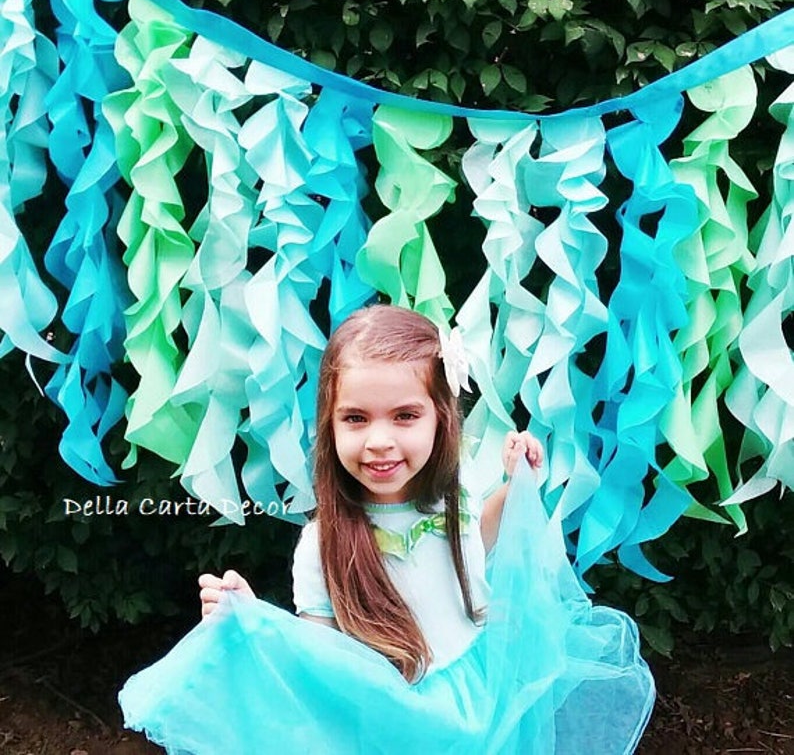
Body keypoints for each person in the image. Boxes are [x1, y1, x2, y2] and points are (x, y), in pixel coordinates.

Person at [119, 304, 655, 754]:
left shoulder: (458, 501)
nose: (379, 441)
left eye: (404, 416)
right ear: (329, 427)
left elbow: (477, 541)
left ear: (441, 417)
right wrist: (255, 620)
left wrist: (513, 489)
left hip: (477, 700)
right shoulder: (322, 546)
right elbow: (320, 658)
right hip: (385, 724)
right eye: (356, 418)